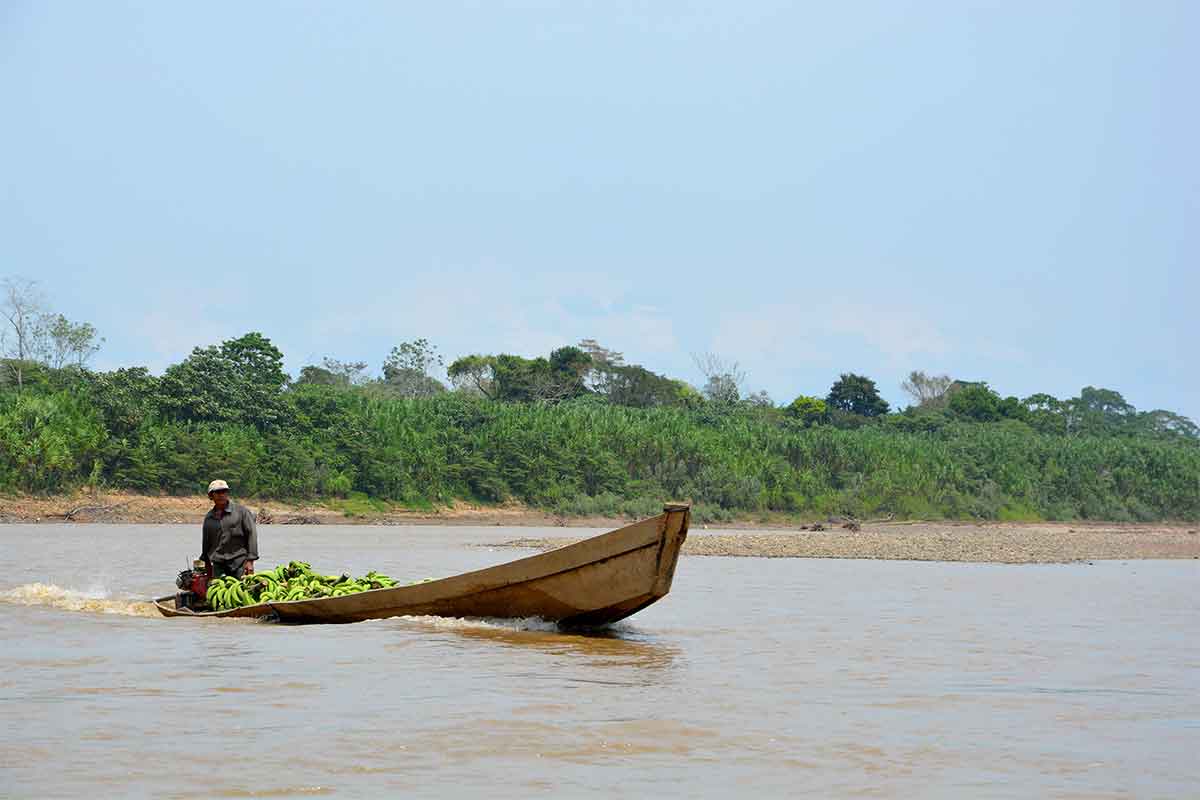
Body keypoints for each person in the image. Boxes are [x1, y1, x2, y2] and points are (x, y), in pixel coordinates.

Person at [200, 479, 258, 578]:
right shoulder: (209, 518)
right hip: (218, 564)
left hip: (239, 562)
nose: (221, 495)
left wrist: (250, 560)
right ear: (211, 496)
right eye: (218, 492)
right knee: (218, 591)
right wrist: (206, 562)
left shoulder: (241, 512)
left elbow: (251, 535)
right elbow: (206, 542)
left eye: (224, 492)